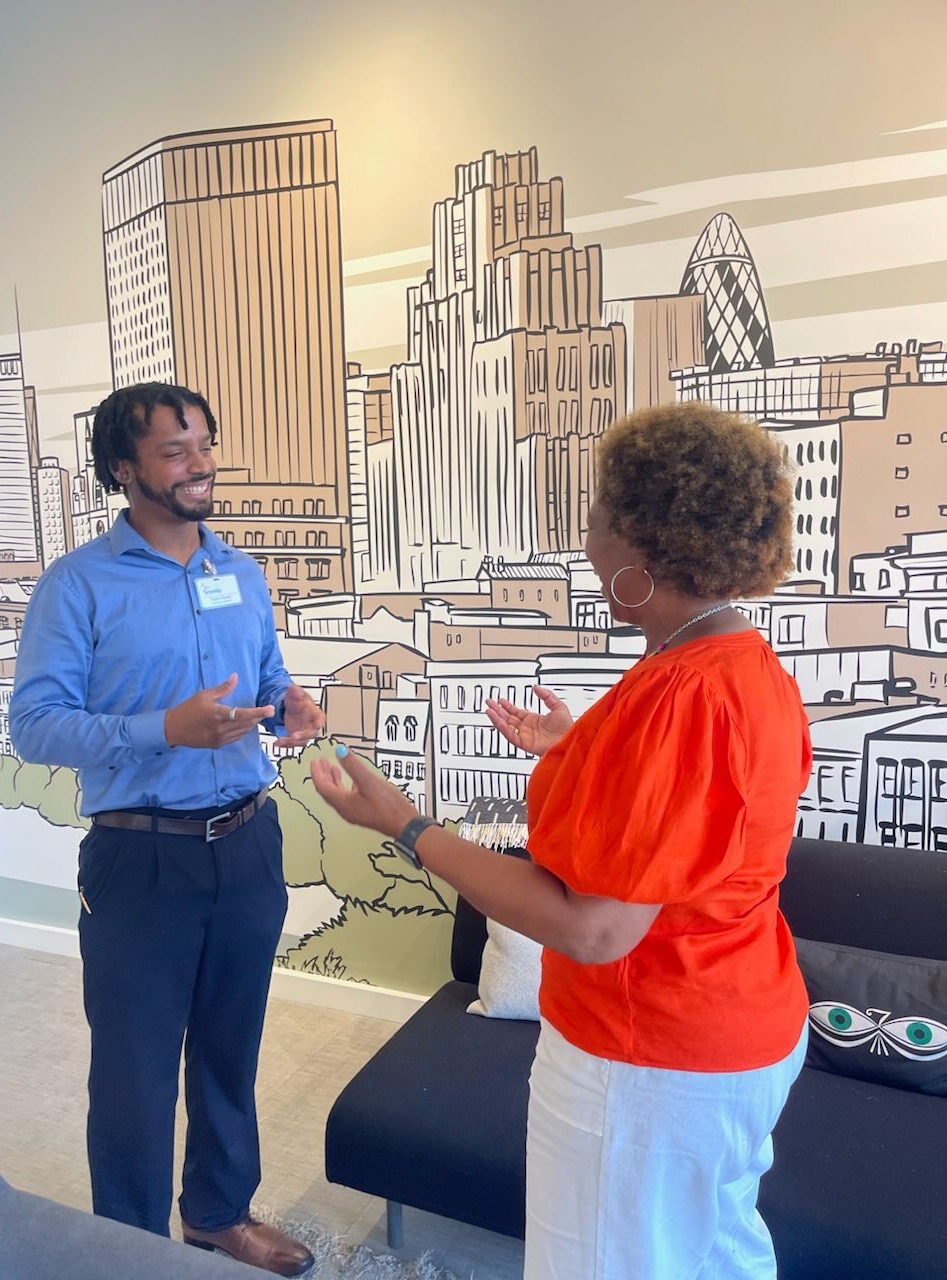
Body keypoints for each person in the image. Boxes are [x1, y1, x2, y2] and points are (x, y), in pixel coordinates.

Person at [310, 401, 813, 1280]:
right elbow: (679, 821)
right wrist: (580, 749)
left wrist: (406, 826)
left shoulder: (683, 695)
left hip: (650, 1052)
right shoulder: (735, 666)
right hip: (726, 1028)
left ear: (641, 547)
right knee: (711, 1256)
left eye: (595, 519)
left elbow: (594, 928)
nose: (586, 540)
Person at [9, 383, 323, 1278]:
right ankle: (129, 1251)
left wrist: (289, 704)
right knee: (135, 1076)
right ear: (125, 469)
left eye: (205, 444)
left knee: (231, 1048)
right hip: (139, 854)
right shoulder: (79, 584)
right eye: (176, 451)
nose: (201, 465)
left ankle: (219, 1214)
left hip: (249, 843)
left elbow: (263, 674)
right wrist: (162, 730)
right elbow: (32, 724)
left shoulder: (242, 571)